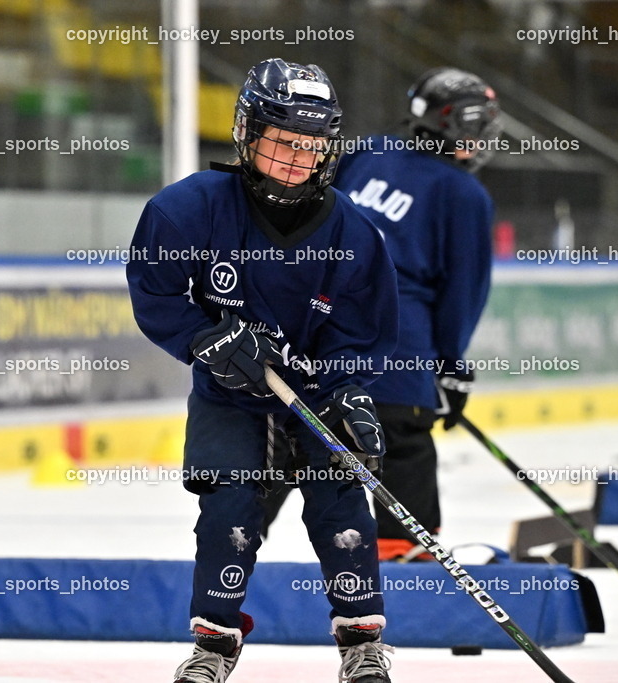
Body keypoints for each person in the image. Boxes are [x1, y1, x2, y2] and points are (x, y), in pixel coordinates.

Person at [126, 58, 399, 683]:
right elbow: (156, 291)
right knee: (228, 510)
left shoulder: (356, 235)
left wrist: (349, 392)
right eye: (280, 142)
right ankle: (213, 647)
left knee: (340, 505)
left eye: (309, 146)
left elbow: (365, 334)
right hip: (229, 397)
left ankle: (361, 643)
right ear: (247, 134)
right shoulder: (186, 210)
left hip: (316, 395)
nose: (294, 160)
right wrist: (204, 338)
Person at [261, 67, 500, 562]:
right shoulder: (463, 194)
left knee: (285, 447)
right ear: (462, 127)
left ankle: (223, 563)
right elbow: (462, 294)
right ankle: (404, 569)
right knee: (402, 449)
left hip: (310, 345)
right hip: (395, 361)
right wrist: (450, 365)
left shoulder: (366, 154)